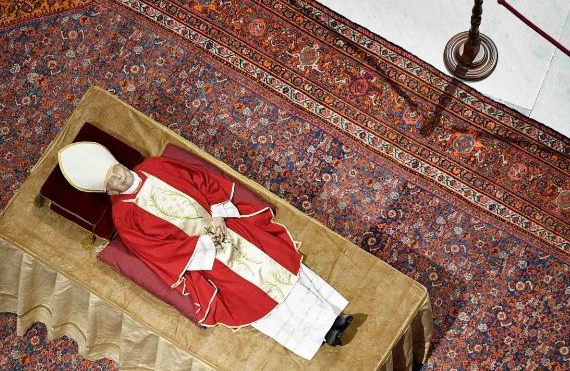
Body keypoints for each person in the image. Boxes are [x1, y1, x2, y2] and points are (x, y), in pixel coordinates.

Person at [58, 141, 353, 359]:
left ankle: (332, 315)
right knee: (251, 294)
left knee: (279, 262)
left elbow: (203, 180)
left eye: (116, 169)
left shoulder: (155, 166)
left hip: (223, 223)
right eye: (112, 179)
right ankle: (318, 335)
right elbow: (157, 253)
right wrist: (207, 243)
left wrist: (218, 215)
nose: (119, 176)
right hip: (204, 256)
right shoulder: (124, 218)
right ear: (109, 190)